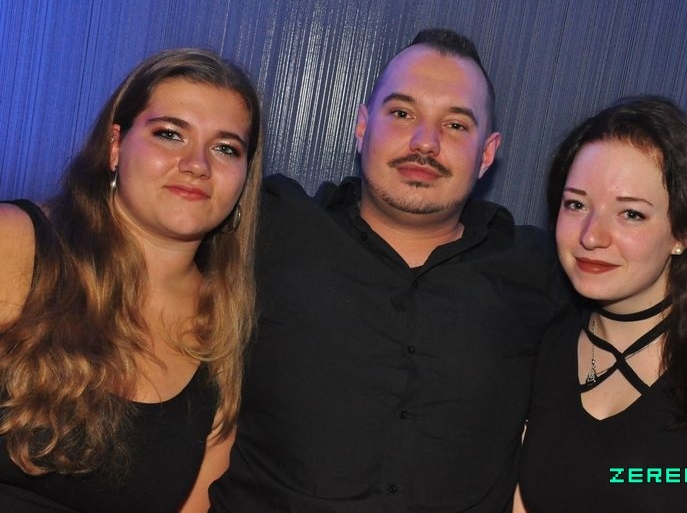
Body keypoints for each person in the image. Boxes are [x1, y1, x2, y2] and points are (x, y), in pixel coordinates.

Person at [210, 28, 566, 512]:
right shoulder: (270, 225)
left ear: (487, 153)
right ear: (362, 127)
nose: (425, 143)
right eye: (402, 114)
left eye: (456, 125)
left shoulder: (542, 268)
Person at [0, 48, 262, 512]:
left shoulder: (223, 332)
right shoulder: (16, 243)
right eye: (170, 134)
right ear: (116, 146)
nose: (196, 164)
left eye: (226, 148)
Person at [517, 96, 687, 512]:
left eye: (631, 214)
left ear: (683, 233)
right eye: (576, 204)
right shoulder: (545, 343)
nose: (591, 236)